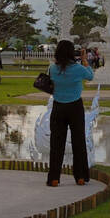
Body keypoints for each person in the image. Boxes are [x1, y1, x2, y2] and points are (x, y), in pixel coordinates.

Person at [46, 40, 95, 186]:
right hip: (75, 106)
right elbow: (90, 76)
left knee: (56, 143)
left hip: (58, 106)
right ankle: (80, 177)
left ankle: (54, 178)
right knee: (78, 142)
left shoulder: (52, 68)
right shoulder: (78, 68)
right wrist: (85, 60)